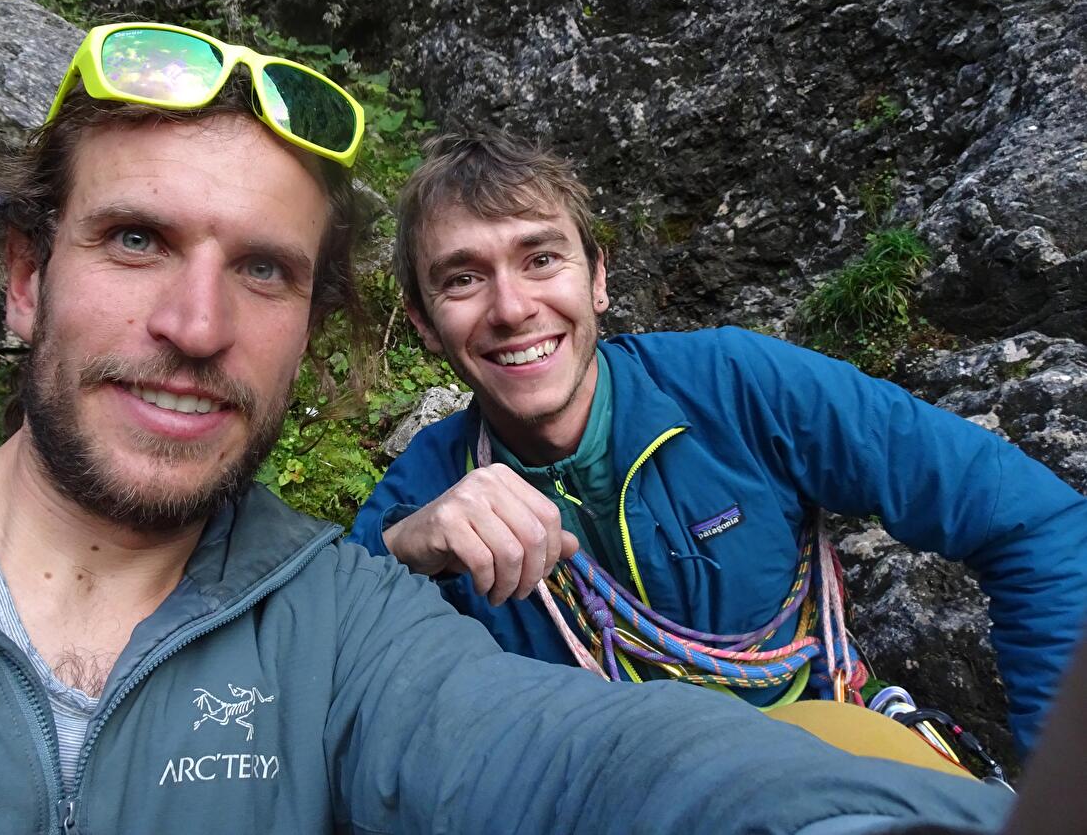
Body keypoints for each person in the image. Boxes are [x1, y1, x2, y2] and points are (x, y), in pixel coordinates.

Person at [0, 22, 1012, 835]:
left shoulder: (337, 622)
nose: (197, 324)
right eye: (137, 239)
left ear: (602, 278)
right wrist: (408, 549)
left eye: (263, 269)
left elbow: (558, 755)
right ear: (23, 277)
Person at [347, 129, 1087, 762]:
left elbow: (1031, 520)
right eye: (464, 279)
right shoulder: (429, 491)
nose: (512, 308)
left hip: (825, 759)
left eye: (541, 259)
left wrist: (1062, 792)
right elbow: (327, 669)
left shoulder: (740, 387)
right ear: (423, 322)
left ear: (598, 278)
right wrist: (403, 550)